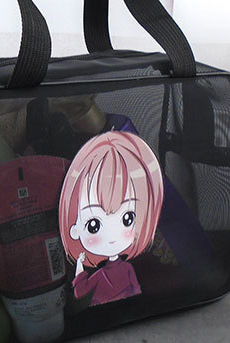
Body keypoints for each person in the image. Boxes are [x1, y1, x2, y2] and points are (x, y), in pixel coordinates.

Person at [58, 131, 164, 307]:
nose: (112, 236)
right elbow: (80, 291)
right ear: (75, 230)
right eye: (93, 225)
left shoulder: (126, 269)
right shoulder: (99, 276)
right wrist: (80, 265)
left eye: (128, 219)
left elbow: (136, 290)